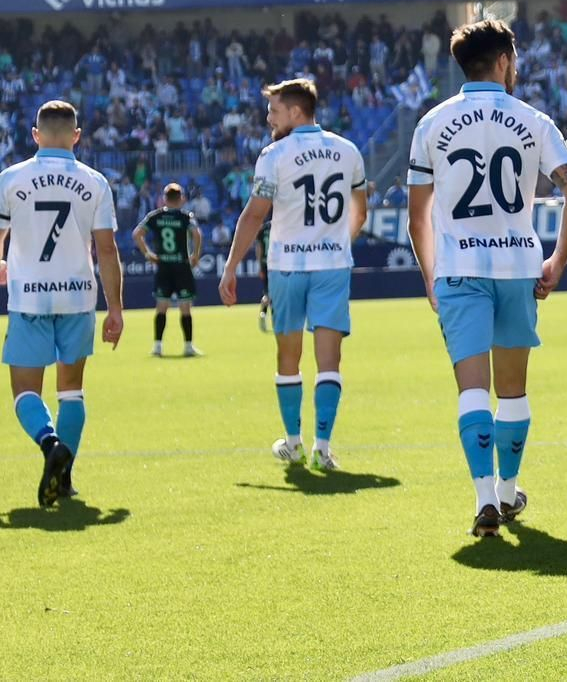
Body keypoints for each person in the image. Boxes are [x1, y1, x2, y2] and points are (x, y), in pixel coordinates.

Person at [406, 18, 567, 538]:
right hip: (517, 267)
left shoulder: (432, 123)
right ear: (505, 62)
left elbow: (417, 215)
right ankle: (509, 492)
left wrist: (429, 276)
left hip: (459, 269)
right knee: (512, 391)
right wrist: (557, 259)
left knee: (471, 391)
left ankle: (485, 498)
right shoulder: (532, 118)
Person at [219, 79, 370, 471]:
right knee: (330, 361)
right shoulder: (347, 151)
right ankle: (323, 447)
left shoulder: (274, 155)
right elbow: (361, 211)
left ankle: (293, 443)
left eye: (274, 110)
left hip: (287, 267)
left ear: (295, 112)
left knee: (289, 357)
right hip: (332, 266)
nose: (269, 117)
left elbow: (255, 215)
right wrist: (338, 240)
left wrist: (232, 266)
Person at [0, 100, 125, 506]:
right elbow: (107, 252)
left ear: (35, 135)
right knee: (72, 389)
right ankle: (65, 476)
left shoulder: (10, 179)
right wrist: (116, 310)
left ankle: (49, 442)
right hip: (77, 297)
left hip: (28, 298)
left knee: (24, 391)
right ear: (77, 136)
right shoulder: (95, 182)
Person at [134, 183, 204, 357]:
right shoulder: (185, 217)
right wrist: (195, 255)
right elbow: (197, 234)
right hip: (181, 265)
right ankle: (188, 346)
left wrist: (148, 253)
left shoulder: (155, 216)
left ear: (164, 199)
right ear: (181, 199)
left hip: (163, 265)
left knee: (161, 306)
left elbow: (137, 234)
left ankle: (158, 346)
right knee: (185, 306)